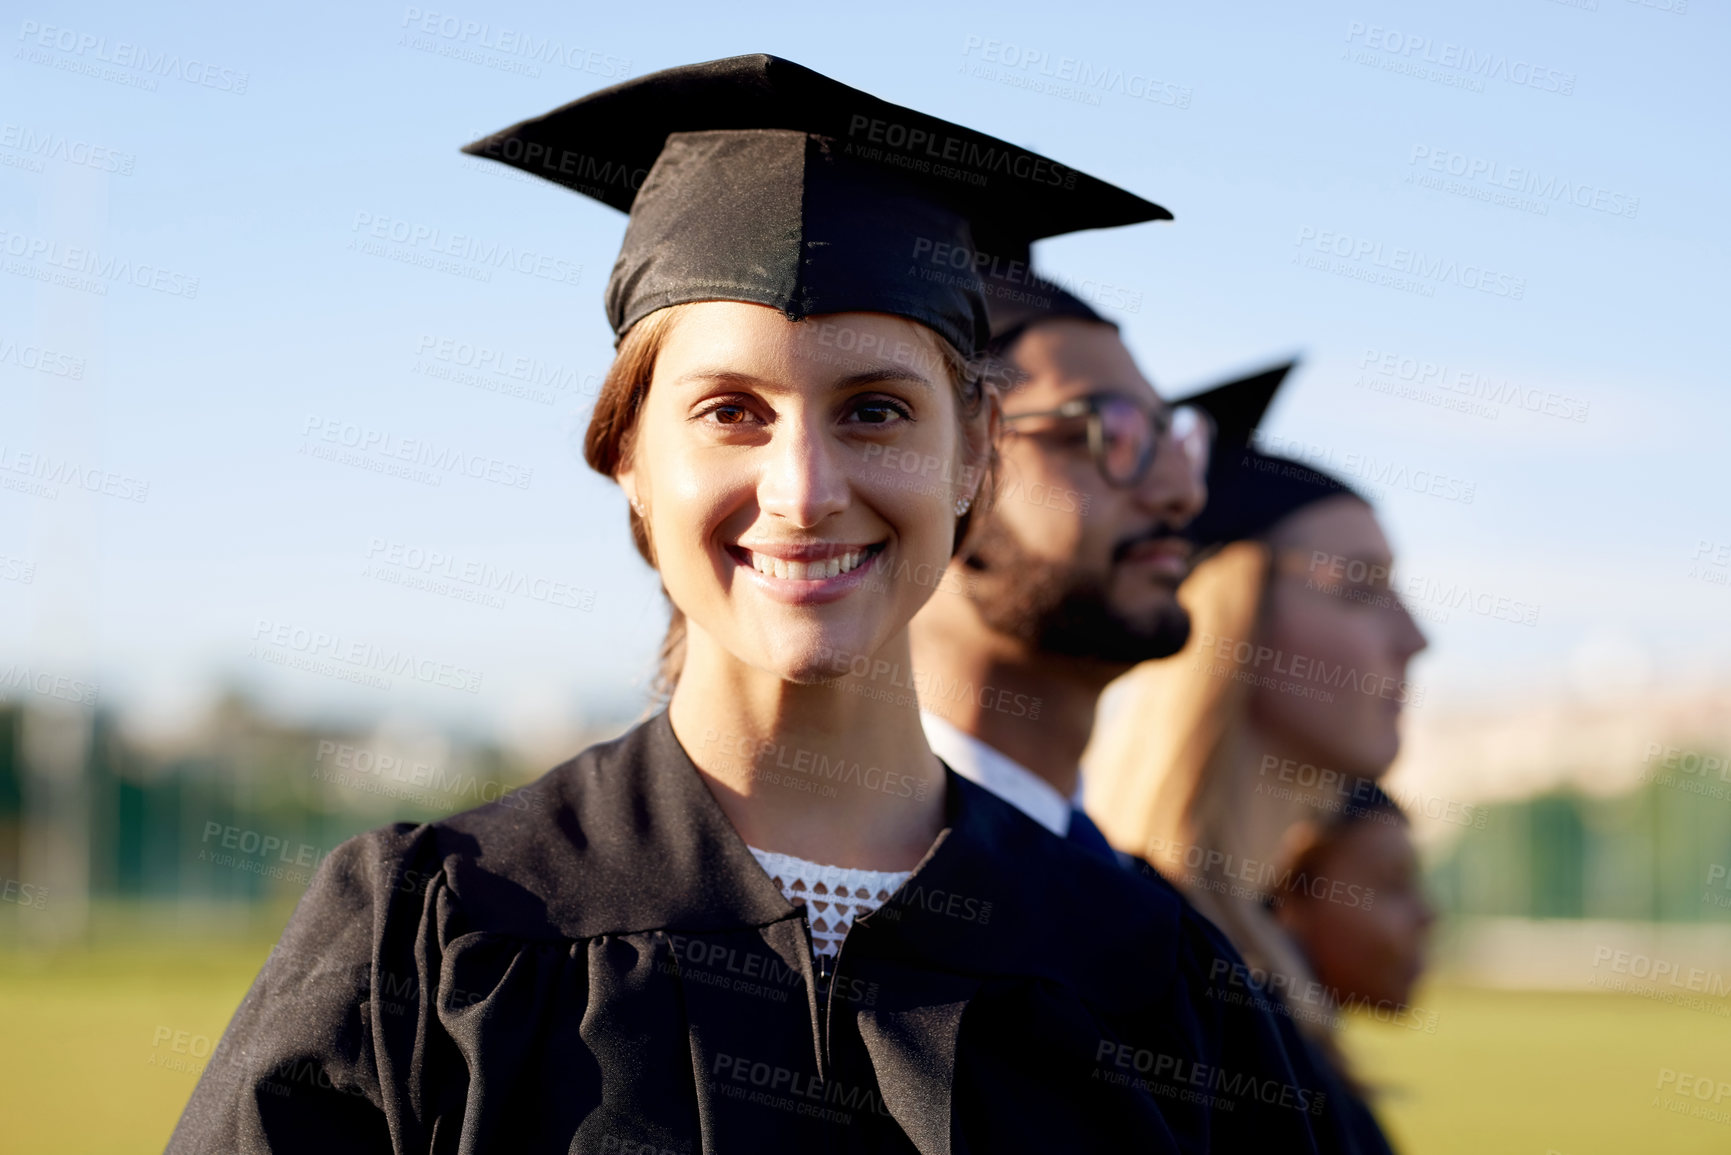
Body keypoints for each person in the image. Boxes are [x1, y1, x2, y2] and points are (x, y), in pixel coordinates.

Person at [166, 55, 1299, 1153]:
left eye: (876, 411)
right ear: (629, 461)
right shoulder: (440, 934)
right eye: (730, 411)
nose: (804, 490)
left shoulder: (1142, 972)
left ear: (975, 461)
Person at [907, 247, 1344, 1146]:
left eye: (1168, 433)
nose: (1183, 490)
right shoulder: (844, 910)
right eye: (1097, 431)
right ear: (931, 463)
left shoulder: (1151, 925)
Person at [1085, 443, 1430, 1153]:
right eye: (1359, 587)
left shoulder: (1265, 954)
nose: (1415, 638)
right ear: (1228, 613)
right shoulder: (1133, 971)